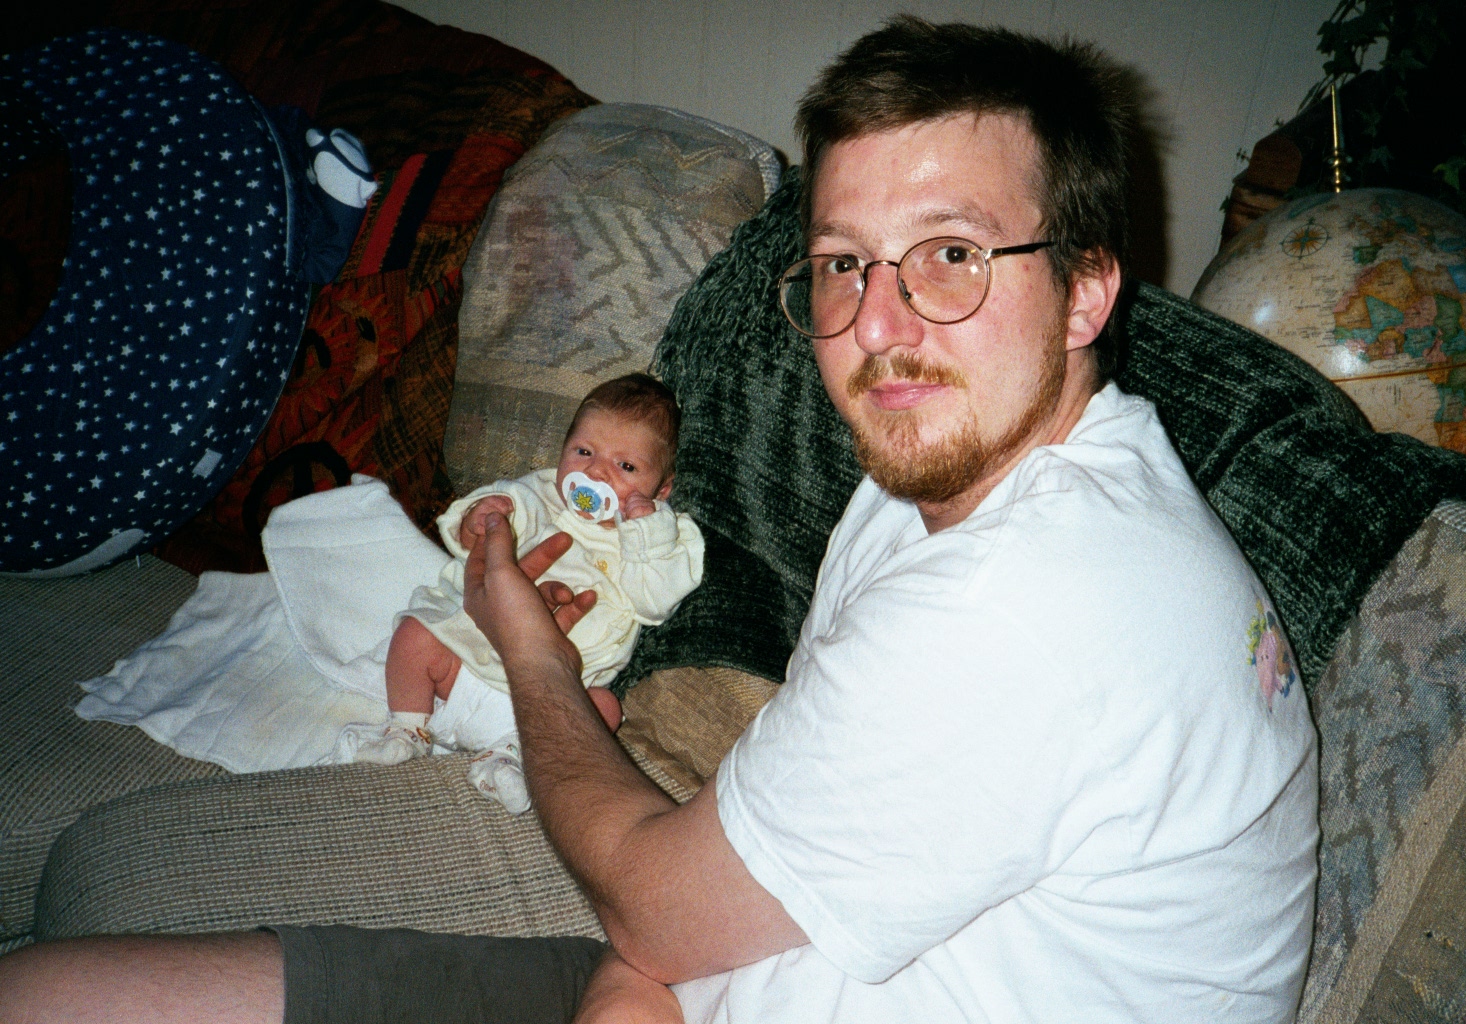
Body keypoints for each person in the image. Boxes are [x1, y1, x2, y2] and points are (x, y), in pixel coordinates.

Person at [0, 17, 1319, 1024]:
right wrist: (643, 966)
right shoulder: (951, 481)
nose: (879, 323)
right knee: (53, 993)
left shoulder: (1033, 595)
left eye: (952, 255)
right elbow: (713, 892)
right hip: (717, 962)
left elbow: (657, 909)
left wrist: (528, 643)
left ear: (1086, 290)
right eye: (843, 263)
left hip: (691, 954)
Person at [352, 373, 705, 814]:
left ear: (663, 489)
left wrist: (644, 530)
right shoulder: (537, 495)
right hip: (466, 656)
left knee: (606, 709)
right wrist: (479, 519)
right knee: (414, 636)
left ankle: (511, 754)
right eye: (584, 452)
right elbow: (477, 533)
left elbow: (653, 602)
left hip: (552, 697)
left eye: (626, 467)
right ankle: (406, 728)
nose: (596, 472)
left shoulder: (665, 538)